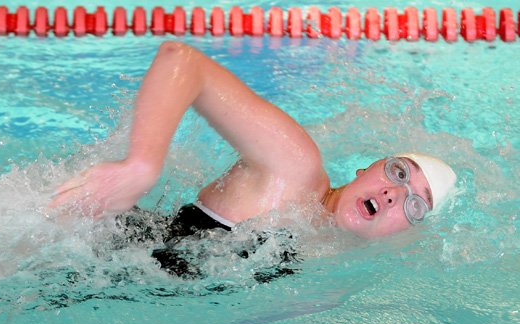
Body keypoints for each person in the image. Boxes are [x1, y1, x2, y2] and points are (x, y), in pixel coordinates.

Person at [49, 41, 456, 243]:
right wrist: (140, 166)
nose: (391, 194)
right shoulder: (295, 169)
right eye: (398, 172)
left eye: (415, 203)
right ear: (363, 170)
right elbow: (183, 61)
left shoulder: (333, 263)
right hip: (65, 239)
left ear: (405, 234)